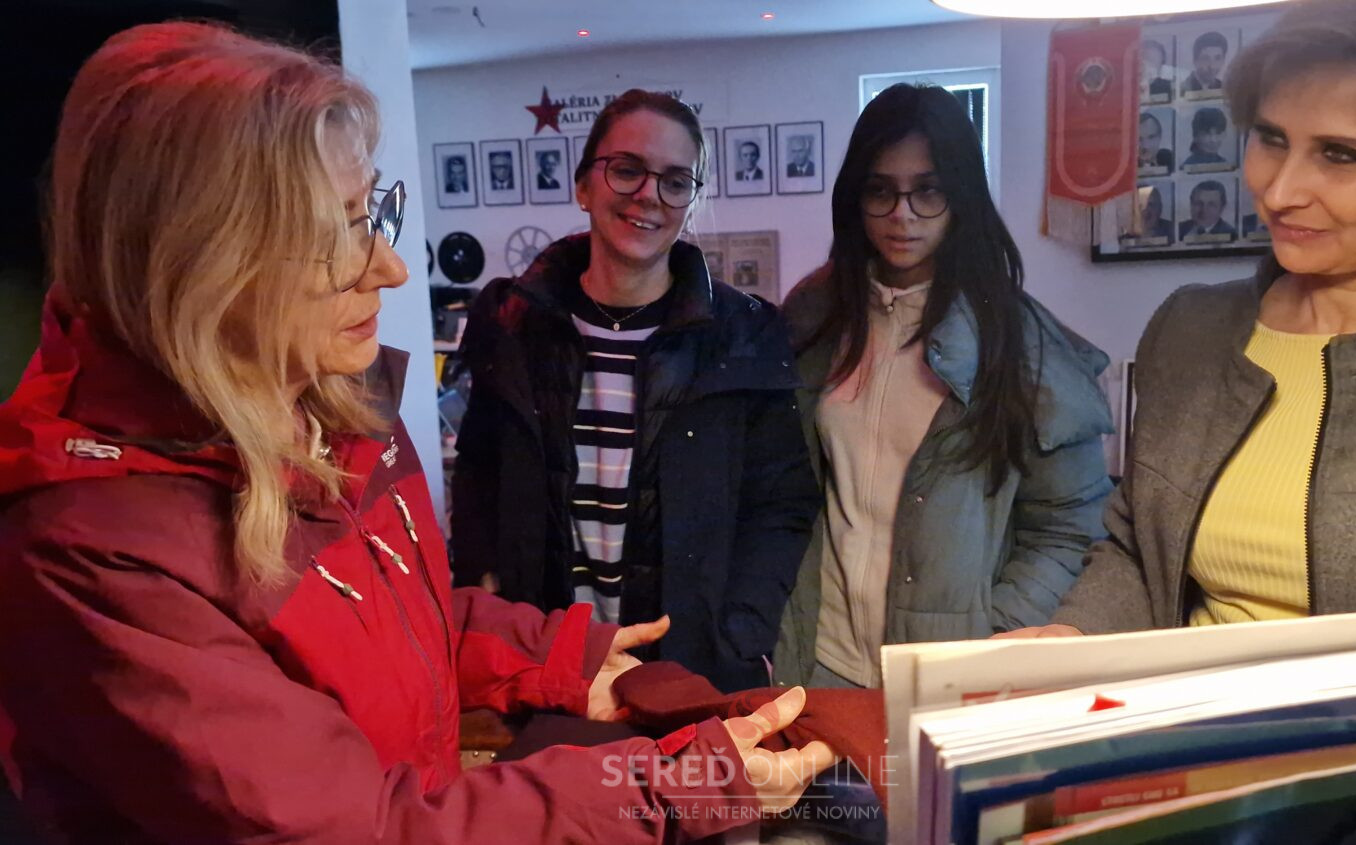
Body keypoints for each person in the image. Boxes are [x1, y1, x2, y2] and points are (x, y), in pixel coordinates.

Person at [0, 25, 833, 841]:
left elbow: (402, 619)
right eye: (336, 233)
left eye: (374, 214)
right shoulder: (93, 548)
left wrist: (559, 656)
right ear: (197, 260)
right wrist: (675, 785)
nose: (391, 268)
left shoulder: (328, 402)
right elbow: (354, 824)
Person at [1007, 0, 1356, 638]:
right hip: (1185, 702)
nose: (1279, 191)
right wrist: (1073, 636)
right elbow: (1140, 549)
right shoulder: (1191, 330)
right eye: (1271, 138)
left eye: (1342, 155)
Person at [451, 89, 820, 693]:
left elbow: (781, 502)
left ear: (691, 203)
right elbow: (477, 472)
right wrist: (484, 592)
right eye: (627, 170)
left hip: (690, 668)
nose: (649, 194)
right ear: (583, 185)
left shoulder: (745, 335)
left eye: (675, 181)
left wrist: (741, 634)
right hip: (546, 664)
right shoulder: (512, 323)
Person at [772, 83, 1115, 689]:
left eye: (927, 190)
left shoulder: (1021, 342)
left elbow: (1069, 526)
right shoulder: (813, 315)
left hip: (950, 681)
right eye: (880, 190)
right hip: (816, 666)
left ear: (961, 195)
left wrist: (994, 636)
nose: (902, 215)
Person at [1182, 30, 1228, 95]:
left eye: (1217, 58)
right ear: (1195, 60)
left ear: (1223, 60)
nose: (1212, 66)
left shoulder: (1224, 88)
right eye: (1206, 59)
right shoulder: (1182, 89)